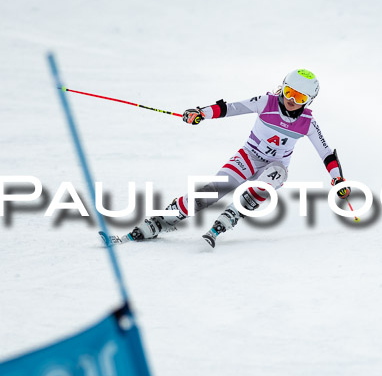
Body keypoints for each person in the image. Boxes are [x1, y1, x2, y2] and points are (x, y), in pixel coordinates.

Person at [130, 69, 350, 248]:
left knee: (274, 176)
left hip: (275, 167)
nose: (291, 100)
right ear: (282, 88)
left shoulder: (308, 123)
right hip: (248, 156)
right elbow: (231, 108)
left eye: (300, 97)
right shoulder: (266, 102)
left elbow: (326, 152)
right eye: (289, 92)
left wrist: (338, 179)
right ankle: (161, 221)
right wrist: (201, 113)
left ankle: (232, 215)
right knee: (212, 190)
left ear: (309, 101)